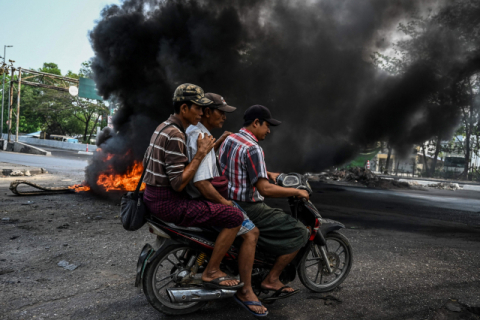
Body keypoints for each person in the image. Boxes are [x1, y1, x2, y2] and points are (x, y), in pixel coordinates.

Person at [142, 83, 244, 290]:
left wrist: (210, 147)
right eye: (198, 108)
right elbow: (179, 184)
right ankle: (212, 270)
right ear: (184, 109)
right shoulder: (176, 135)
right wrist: (200, 153)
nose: (201, 112)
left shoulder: (162, 127)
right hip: (168, 203)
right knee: (234, 217)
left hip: (152, 197)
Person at [185, 93, 267, 316]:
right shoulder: (199, 134)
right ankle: (244, 289)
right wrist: (225, 202)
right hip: (204, 198)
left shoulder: (200, 134)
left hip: (199, 195)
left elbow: (202, 161)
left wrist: (218, 142)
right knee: (250, 232)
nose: (224, 116)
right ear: (208, 112)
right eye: (220, 111)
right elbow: (202, 183)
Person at [219, 104, 310, 297]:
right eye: (267, 125)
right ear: (256, 122)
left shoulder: (230, 139)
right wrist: (296, 191)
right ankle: (272, 279)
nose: (268, 130)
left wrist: (267, 173)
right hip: (247, 207)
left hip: (225, 200)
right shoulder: (254, 149)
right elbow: (264, 189)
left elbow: (235, 167)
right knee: (299, 231)